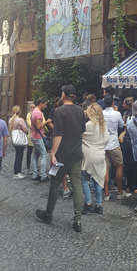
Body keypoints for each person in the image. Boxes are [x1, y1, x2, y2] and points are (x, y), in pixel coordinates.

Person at [35, 85, 87, 232]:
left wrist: (53, 153)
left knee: (55, 183)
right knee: (77, 186)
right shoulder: (80, 111)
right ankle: (77, 220)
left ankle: (48, 213)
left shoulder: (59, 111)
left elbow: (58, 135)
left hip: (62, 155)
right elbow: (82, 133)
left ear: (64, 95)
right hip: (77, 153)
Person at [81, 103, 109, 215]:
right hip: (100, 155)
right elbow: (107, 139)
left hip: (89, 156)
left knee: (84, 178)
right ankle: (99, 205)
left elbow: (79, 135)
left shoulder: (88, 125)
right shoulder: (103, 126)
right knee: (98, 180)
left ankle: (88, 203)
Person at [102, 94, 130, 200]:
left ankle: (106, 193)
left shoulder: (101, 113)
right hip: (113, 143)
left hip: (103, 144)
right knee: (119, 165)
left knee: (106, 168)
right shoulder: (117, 114)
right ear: (113, 102)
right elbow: (121, 126)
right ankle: (119, 191)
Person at [31, 97, 50, 182]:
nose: (45, 106)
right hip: (38, 137)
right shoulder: (38, 113)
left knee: (35, 156)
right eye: (45, 105)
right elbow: (39, 126)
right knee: (44, 155)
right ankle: (43, 176)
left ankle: (35, 174)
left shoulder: (33, 111)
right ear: (41, 104)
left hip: (34, 136)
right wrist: (46, 122)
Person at [8, 105, 28, 178]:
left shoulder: (10, 119)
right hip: (20, 139)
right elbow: (25, 129)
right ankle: (17, 172)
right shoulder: (20, 120)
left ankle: (16, 171)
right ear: (20, 111)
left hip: (14, 139)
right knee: (19, 155)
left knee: (17, 155)